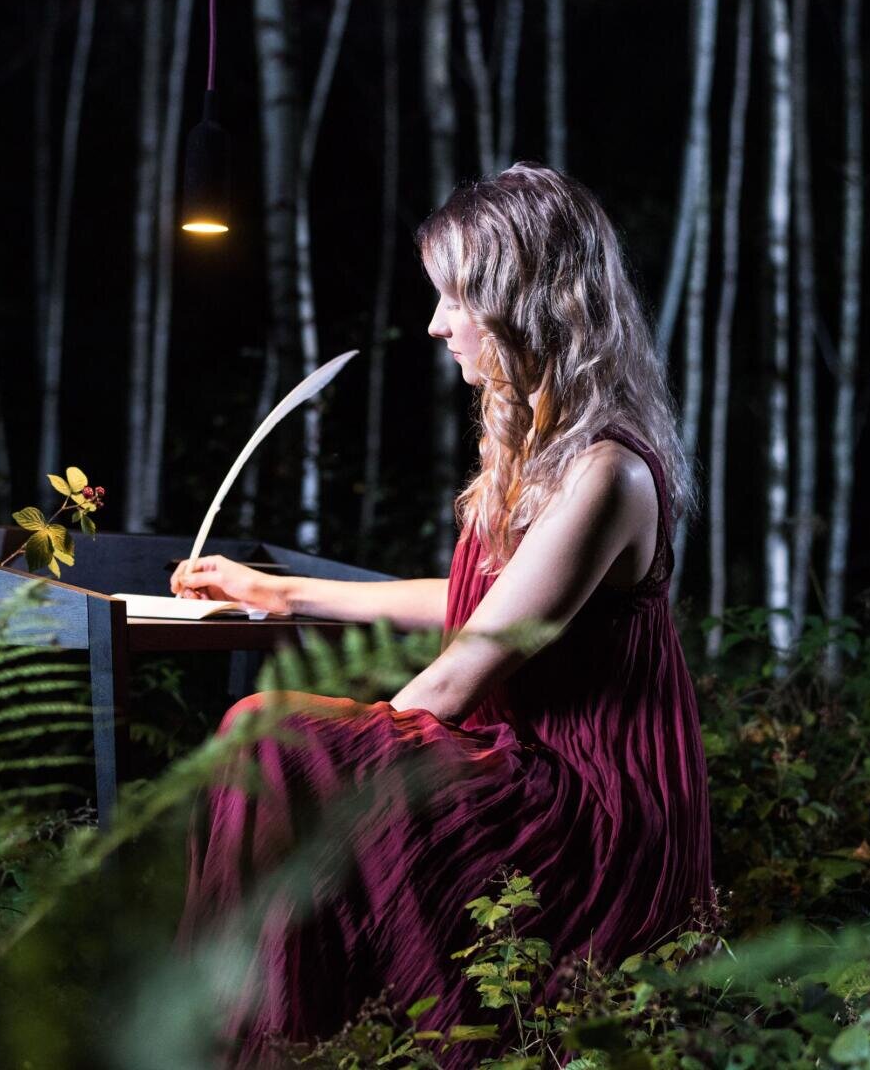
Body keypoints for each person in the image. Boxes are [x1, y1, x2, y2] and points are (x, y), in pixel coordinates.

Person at [170, 162, 715, 1067]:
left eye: (457, 298)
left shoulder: (606, 471)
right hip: (527, 761)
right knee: (284, 745)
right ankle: (232, 1026)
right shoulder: (535, 438)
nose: (435, 324)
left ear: (527, 300)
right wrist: (282, 592)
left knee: (274, 739)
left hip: (588, 805)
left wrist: (336, 774)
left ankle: (238, 1036)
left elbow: (461, 676)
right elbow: (484, 605)